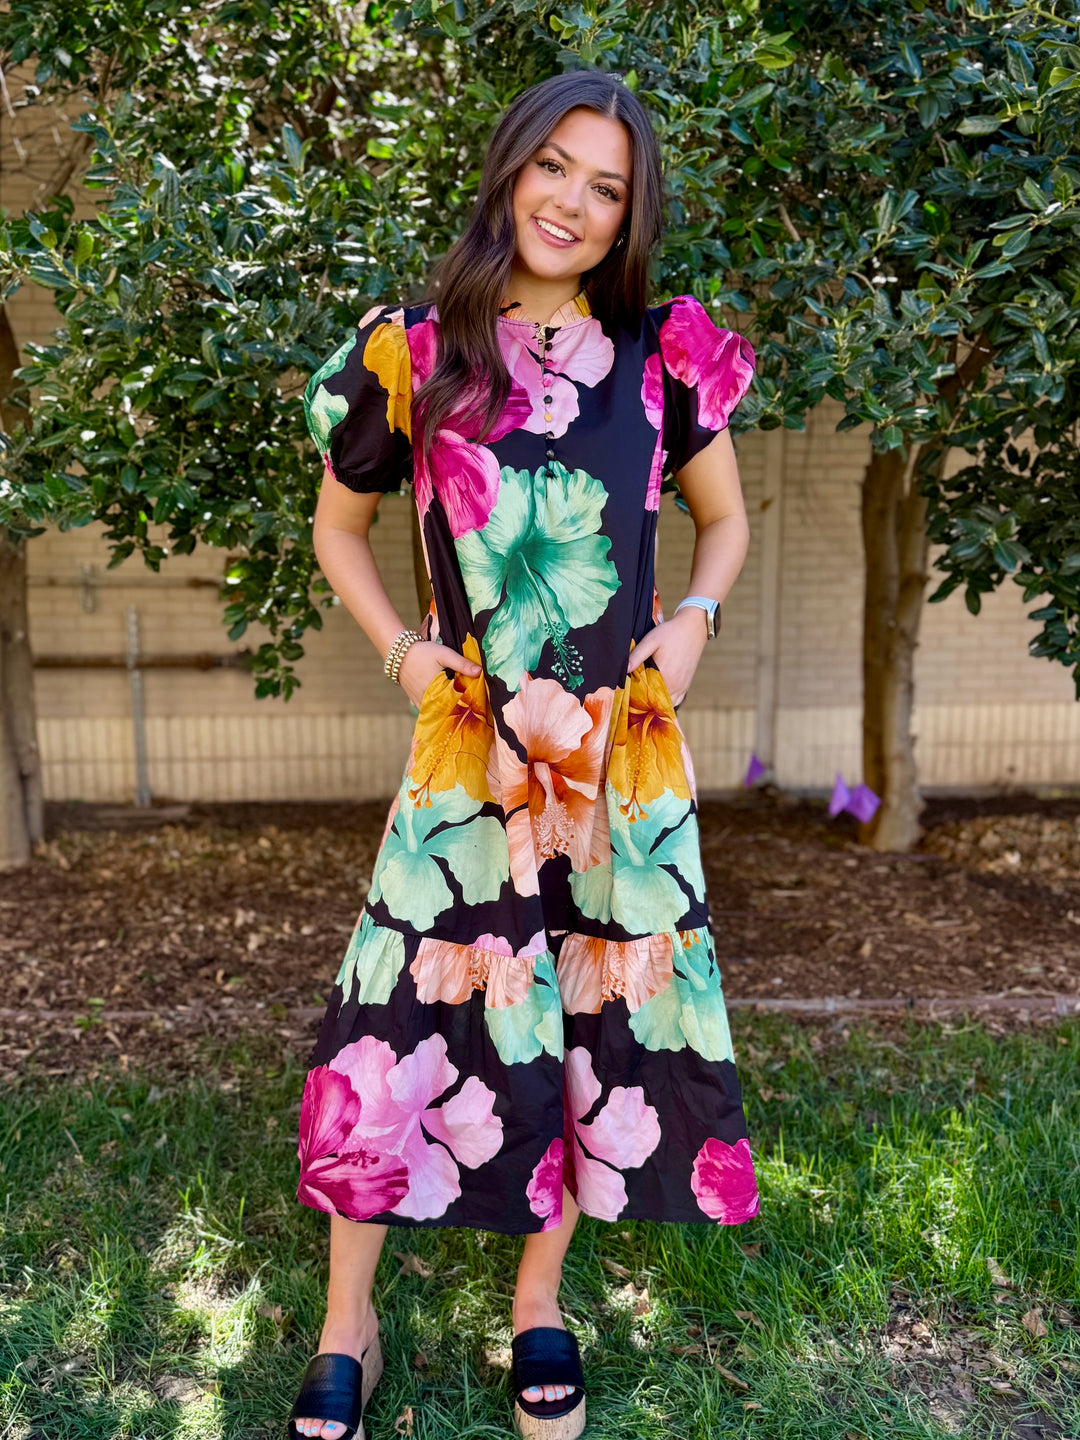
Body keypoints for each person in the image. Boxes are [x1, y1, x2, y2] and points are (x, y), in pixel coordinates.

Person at [288, 68, 760, 1440]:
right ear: (510, 167)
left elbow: (722, 524)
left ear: (629, 218)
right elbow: (339, 529)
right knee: (394, 1013)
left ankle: (539, 1306)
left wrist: (693, 622)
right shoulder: (412, 353)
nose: (572, 202)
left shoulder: (667, 355)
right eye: (556, 166)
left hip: (619, 764)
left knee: (588, 1025)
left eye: (607, 188)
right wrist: (404, 651)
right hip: (464, 758)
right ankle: (347, 1324)